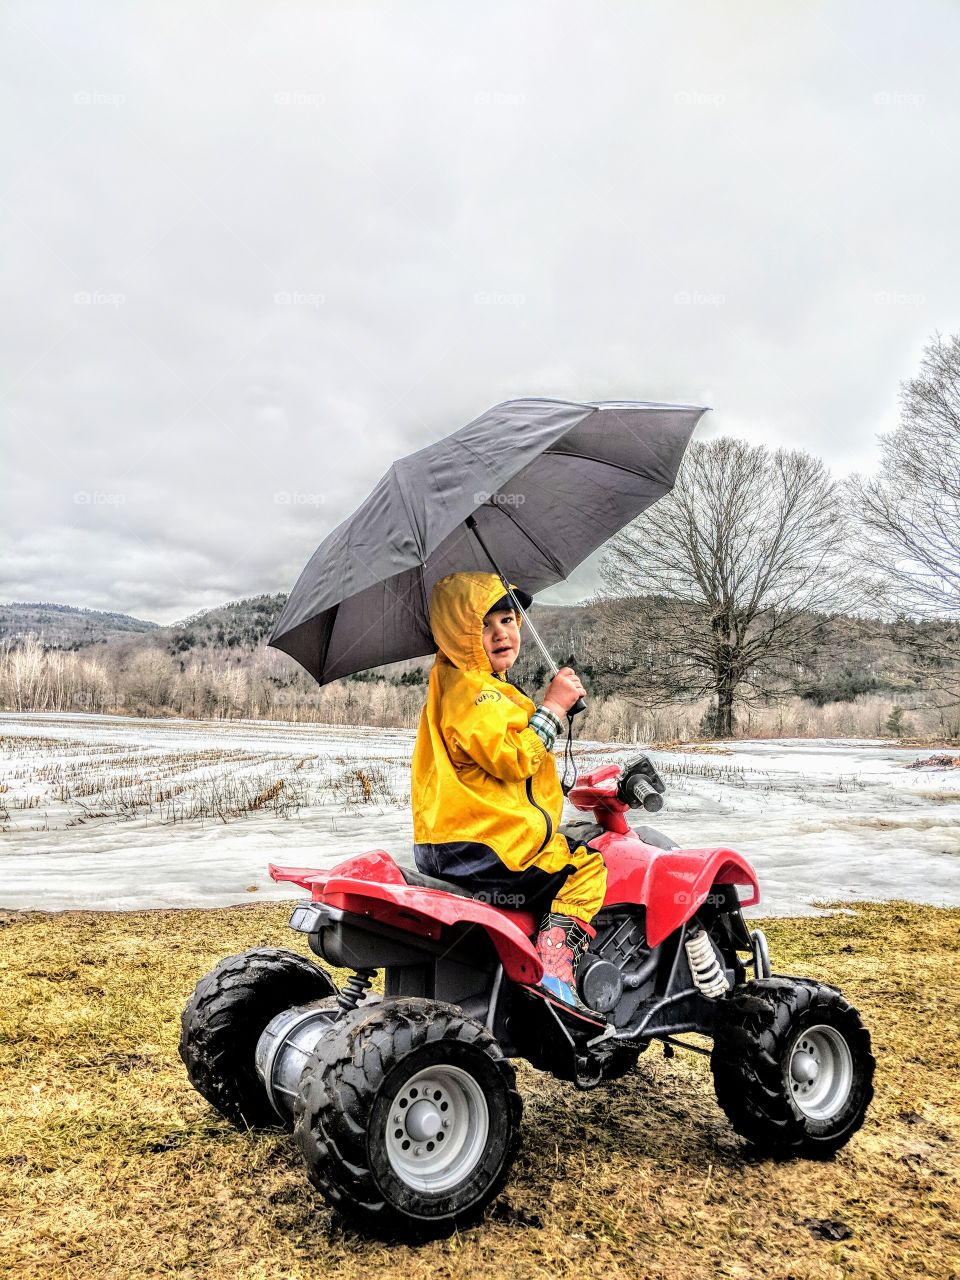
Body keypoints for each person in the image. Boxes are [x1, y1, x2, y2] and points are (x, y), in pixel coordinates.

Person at [411, 570, 607, 1022]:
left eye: (509, 618)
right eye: (483, 624)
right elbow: (514, 758)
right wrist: (554, 708)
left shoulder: (459, 686)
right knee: (584, 866)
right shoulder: (475, 691)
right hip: (488, 844)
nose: (501, 632)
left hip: (451, 841)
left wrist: (544, 708)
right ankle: (557, 965)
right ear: (458, 635)